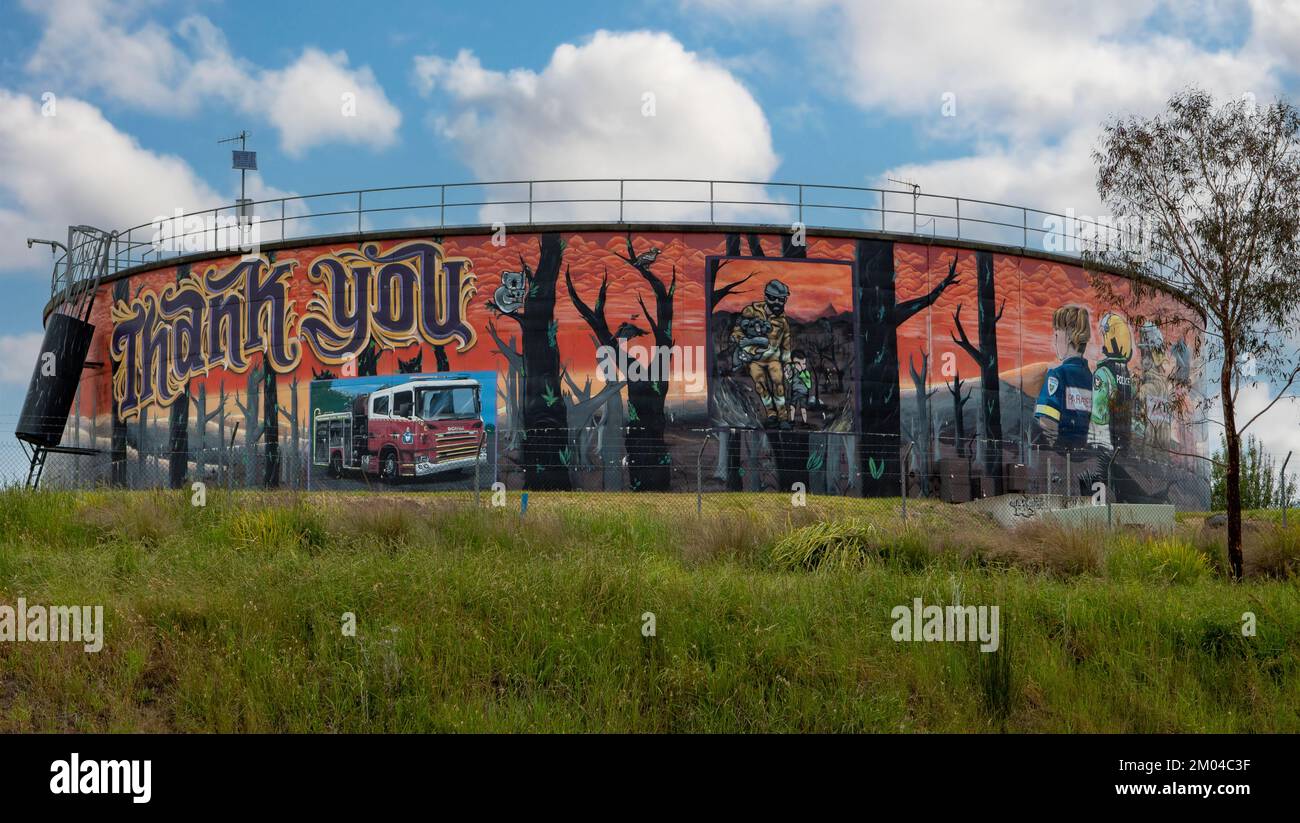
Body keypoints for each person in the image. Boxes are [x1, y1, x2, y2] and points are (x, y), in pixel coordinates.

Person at [730, 279, 792, 428]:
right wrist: (744, 345)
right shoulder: (751, 311)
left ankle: (783, 417)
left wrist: (788, 363)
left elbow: (786, 342)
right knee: (760, 385)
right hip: (754, 359)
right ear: (766, 296)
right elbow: (737, 331)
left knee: (778, 384)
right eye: (774, 298)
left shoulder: (782, 321)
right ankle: (771, 413)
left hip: (773, 359)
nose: (777, 302)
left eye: (781, 299)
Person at [1034, 305, 1093, 450]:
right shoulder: (1092, 379)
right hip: (1086, 454)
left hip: (1062, 457)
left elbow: (1047, 423)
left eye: (1056, 335)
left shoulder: (1057, 376)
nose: (1054, 341)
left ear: (1068, 336)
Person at [1087, 311, 1134, 454]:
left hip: (1105, 446)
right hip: (1124, 445)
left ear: (1110, 337)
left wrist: (1094, 444)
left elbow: (1099, 413)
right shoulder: (1127, 375)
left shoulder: (1103, 373)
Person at [786, 350, 814, 425]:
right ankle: (792, 421)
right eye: (798, 363)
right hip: (794, 391)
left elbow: (809, 384)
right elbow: (789, 379)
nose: (801, 366)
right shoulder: (793, 371)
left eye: (803, 364)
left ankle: (804, 422)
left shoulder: (806, 373)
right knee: (792, 407)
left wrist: (801, 372)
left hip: (803, 393)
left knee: (803, 408)